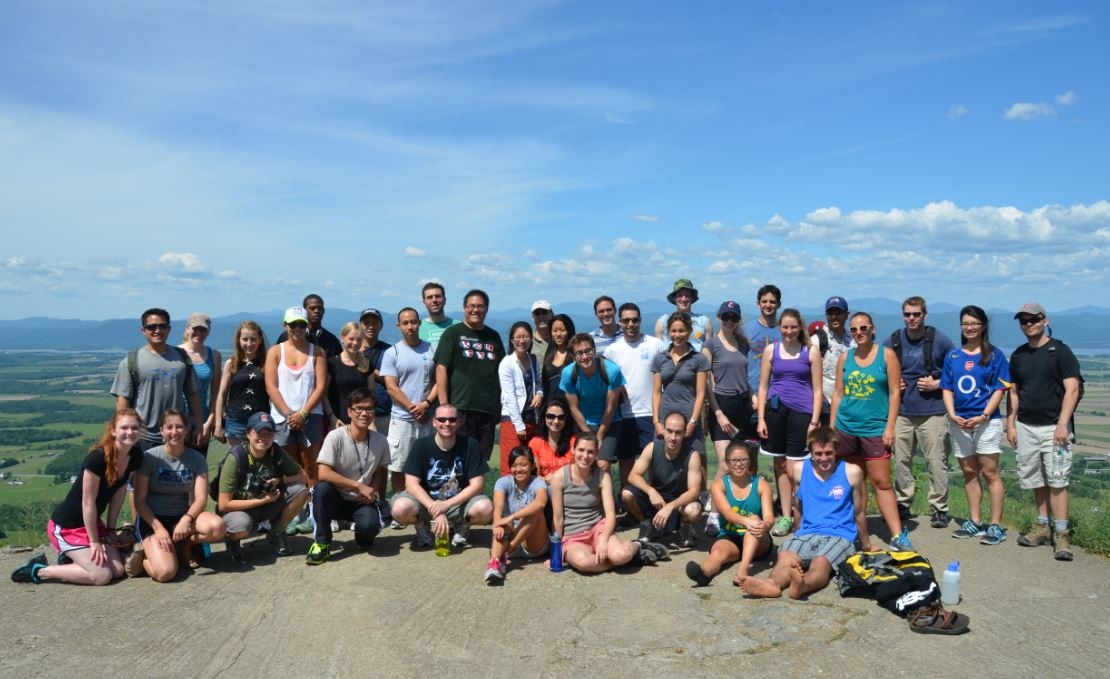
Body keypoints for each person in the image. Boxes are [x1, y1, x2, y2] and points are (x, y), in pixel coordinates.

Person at [11, 409, 144, 586]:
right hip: (67, 526)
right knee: (102, 576)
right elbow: (87, 502)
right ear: (113, 430)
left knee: (118, 570)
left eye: (134, 428)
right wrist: (94, 541)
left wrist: (110, 530)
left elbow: (119, 493)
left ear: (140, 430)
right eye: (124, 427)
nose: (130, 432)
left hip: (92, 523)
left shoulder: (135, 455)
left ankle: (72, 560)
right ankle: (39, 570)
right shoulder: (97, 458)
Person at [740, 427, 864, 599]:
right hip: (808, 531)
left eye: (828, 453)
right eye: (818, 454)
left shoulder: (851, 472)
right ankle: (771, 585)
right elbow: (798, 506)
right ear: (811, 452)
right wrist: (797, 534)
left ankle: (802, 585)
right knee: (785, 556)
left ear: (837, 450)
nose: (823, 458)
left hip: (840, 534)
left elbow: (859, 512)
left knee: (821, 562)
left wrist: (866, 545)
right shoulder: (800, 470)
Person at [1008, 302, 1083, 561]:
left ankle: (1062, 533)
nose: (1029, 324)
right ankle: (1042, 526)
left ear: (1045, 320)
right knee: (1035, 479)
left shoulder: (1059, 351)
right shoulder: (1018, 355)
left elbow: (1072, 389)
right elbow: (1015, 391)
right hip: (1026, 425)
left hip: (1054, 427)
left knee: (1057, 480)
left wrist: (1063, 424)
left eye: (1033, 319)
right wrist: (1011, 423)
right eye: (1024, 321)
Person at [830, 311, 908, 551]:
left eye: (863, 328)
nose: (859, 333)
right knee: (854, 482)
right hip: (846, 427)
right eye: (854, 330)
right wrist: (832, 428)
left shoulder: (887, 356)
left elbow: (895, 392)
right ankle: (855, 530)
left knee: (882, 482)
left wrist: (890, 427)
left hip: (875, 428)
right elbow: (838, 393)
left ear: (872, 329)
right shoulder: (846, 357)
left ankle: (897, 535)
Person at [941, 306, 1011, 545]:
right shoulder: (953, 356)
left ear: (983, 326)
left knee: (990, 473)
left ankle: (996, 525)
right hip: (959, 422)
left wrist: (983, 415)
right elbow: (947, 388)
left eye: (974, 323)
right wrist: (951, 414)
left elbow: (1000, 390)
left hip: (986, 422)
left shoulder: (995, 355)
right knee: (969, 473)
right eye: (965, 323)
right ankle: (975, 521)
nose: (969, 327)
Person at [885, 296, 957, 528]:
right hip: (902, 412)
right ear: (903, 315)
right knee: (901, 462)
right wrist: (892, 382)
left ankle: (939, 509)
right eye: (908, 314)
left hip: (933, 412)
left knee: (936, 461)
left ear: (925, 314)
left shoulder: (940, 341)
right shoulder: (894, 340)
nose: (912, 318)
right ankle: (903, 504)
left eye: (916, 314)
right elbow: (879, 369)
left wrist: (937, 385)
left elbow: (956, 371)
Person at [130, 410, 227, 582]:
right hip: (152, 521)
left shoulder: (196, 459)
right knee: (165, 573)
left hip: (181, 518)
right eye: (169, 427)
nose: (174, 432)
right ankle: (143, 559)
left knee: (217, 527)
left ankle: (184, 545)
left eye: (179, 427)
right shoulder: (149, 458)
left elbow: (201, 499)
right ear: (161, 431)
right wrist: (158, 529)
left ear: (186, 430)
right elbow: (139, 502)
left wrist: (185, 519)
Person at [549, 432, 666, 573]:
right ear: (573, 450)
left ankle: (639, 545)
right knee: (584, 563)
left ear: (596, 453)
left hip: (597, 529)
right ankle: (633, 559)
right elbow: (558, 518)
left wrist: (603, 540)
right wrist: (555, 553)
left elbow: (611, 515)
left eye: (591, 452)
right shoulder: (560, 477)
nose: (585, 456)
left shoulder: (603, 476)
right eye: (581, 450)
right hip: (573, 536)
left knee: (620, 555)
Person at [305, 388, 392, 565]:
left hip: (361, 501)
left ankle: (362, 536)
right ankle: (321, 544)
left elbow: (378, 473)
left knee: (369, 530)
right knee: (321, 489)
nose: (364, 413)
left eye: (369, 409)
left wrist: (372, 491)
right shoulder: (335, 436)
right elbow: (323, 472)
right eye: (359, 408)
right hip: (336, 498)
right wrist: (358, 486)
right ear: (349, 412)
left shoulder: (381, 440)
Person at [389, 404, 494, 550]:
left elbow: (477, 485)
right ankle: (421, 526)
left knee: (486, 508)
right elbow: (411, 484)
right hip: (426, 502)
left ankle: (462, 525)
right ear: (434, 422)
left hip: (458, 503)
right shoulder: (421, 445)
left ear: (458, 422)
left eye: (451, 419)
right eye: (442, 419)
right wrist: (435, 509)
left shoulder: (471, 444)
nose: (447, 424)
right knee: (400, 508)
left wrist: (446, 505)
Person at [756, 308, 821, 538]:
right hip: (775, 412)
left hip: (802, 413)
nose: (789, 331)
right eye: (785, 327)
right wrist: (761, 418)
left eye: (794, 327)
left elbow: (818, 389)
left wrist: (815, 420)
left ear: (800, 327)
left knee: (798, 468)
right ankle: (785, 515)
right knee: (780, 466)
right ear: (780, 328)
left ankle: (800, 515)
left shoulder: (810, 352)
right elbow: (763, 386)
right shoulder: (771, 350)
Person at [217, 412, 310, 561]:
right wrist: (262, 501)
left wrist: (279, 481)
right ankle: (232, 540)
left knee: (301, 490)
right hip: (239, 509)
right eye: (259, 432)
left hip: (268, 504)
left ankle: (277, 532)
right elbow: (223, 504)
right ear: (248, 434)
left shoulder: (276, 451)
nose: (264, 438)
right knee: (242, 526)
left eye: (269, 433)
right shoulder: (237, 457)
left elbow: (303, 476)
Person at [110, 307, 203, 449]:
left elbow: (192, 394)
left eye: (162, 326)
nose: (157, 330)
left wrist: (198, 424)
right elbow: (123, 401)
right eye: (152, 327)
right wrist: (124, 433)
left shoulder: (182, 358)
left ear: (169, 329)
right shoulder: (132, 361)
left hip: (175, 434)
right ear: (143, 330)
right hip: (142, 437)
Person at [685, 438, 773, 587]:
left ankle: (743, 570)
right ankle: (703, 572)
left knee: (755, 520)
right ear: (726, 462)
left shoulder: (762, 485)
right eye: (733, 460)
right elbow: (726, 513)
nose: (738, 464)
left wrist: (765, 525)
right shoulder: (719, 485)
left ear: (750, 461)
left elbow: (769, 516)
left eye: (743, 460)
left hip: (758, 540)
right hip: (730, 537)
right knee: (718, 553)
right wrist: (747, 521)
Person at [433, 289, 505, 461]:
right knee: (457, 459)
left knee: (480, 461)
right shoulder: (453, 333)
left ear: (486, 309)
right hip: (459, 409)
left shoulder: (493, 336)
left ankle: (477, 489)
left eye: (480, 306)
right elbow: (441, 369)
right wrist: (444, 406)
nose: (475, 310)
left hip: (487, 411)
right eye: (471, 306)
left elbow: (502, 372)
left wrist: (499, 407)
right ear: (464, 308)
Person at [702, 300, 753, 535]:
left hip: (743, 404)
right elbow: (705, 381)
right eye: (725, 317)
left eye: (733, 317)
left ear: (738, 319)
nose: (729, 321)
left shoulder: (743, 343)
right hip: (721, 405)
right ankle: (713, 514)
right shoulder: (711, 344)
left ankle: (738, 510)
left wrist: (753, 397)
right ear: (719, 317)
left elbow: (745, 375)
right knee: (725, 464)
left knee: (742, 463)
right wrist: (718, 413)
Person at [265, 306, 328, 491]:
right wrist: (289, 414)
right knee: (289, 467)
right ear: (285, 326)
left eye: (301, 324)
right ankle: (295, 508)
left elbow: (321, 386)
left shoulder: (317, 352)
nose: (297, 328)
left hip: (311, 416)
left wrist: (303, 413)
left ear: (307, 326)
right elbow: (271, 386)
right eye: (293, 325)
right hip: (282, 418)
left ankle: (313, 507)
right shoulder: (275, 352)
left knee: (311, 466)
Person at [605, 302, 665, 494]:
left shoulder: (656, 344)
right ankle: (629, 504)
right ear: (620, 322)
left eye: (634, 320)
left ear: (640, 320)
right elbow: (608, 380)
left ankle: (657, 502)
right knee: (626, 462)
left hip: (650, 412)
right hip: (624, 414)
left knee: (655, 461)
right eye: (626, 320)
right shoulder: (612, 350)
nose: (630, 324)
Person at [622, 412, 704, 547]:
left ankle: (685, 526)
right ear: (663, 430)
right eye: (669, 431)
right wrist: (651, 491)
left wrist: (671, 507)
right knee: (627, 494)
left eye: (678, 433)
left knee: (693, 510)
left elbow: (694, 491)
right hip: (657, 499)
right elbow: (633, 476)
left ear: (685, 433)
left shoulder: (692, 455)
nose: (673, 437)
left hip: (679, 503)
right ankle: (647, 524)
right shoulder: (652, 448)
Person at [381, 307, 437, 496]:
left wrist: (426, 405)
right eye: (405, 323)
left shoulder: (431, 350)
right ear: (399, 326)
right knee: (399, 465)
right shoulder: (392, 352)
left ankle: (423, 505)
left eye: (413, 322)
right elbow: (391, 386)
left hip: (427, 417)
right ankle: (399, 504)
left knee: (427, 464)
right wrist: (414, 408)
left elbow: (438, 381)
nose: (410, 326)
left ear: (420, 323)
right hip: (402, 419)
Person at [485, 447, 549, 584]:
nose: (518, 469)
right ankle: (495, 563)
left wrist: (512, 517)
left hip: (532, 543)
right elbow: (499, 506)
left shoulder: (538, 482)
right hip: (510, 533)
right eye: (514, 465)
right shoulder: (503, 482)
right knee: (502, 524)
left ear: (532, 466)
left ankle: (507, 550)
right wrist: (497, 524)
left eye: (524, 465)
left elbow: (541, 502)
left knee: (534, 510)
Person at [561, 333, 625, 470]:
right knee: (585, 464)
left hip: (610, 421)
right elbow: (574, 408)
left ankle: (606, 491)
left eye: (588, 351)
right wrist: (590, 436)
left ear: (594, 351)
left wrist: (600, 436)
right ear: (573, 357)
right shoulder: (568, 373)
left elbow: (611, 407)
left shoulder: (612, 370)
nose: (584, 357)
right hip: (584, 422)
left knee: (602, 464)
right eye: (579, 353)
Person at [652, 312, 709, 457]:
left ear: (689, 332)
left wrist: (693, 422)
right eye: (674, 331)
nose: (677, 335)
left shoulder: (699, 359)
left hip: (690, 415)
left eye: (682, 330)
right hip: (665, 418)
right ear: (668, 332)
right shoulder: (660, 358)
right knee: (661, 459)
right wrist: (657, 422)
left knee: (696, 457)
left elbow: (701, 393)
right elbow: (656, 392)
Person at [213, 321, 270, 448]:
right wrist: (218, 425)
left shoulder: (267, 363)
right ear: (239, 340)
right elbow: (221, 395)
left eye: (253, 339)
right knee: (238, 461)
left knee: (259, 461)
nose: (249, 344)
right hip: (235, 421)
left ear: (260, 340)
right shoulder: (231, 363)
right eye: (245, 339)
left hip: (260, 421)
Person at [498, 321, 543, 474]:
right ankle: (505, 497)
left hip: (531, 418)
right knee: (511, 465)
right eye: (518, 337)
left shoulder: (533, 359)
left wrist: (539, 394)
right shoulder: (507, 363)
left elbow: (539, 383)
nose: (521, 340)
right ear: (511, 340)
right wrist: (519, 425)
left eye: (525, 337)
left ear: (531, 339)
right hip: (512, 420)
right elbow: (509, 396)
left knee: (530, 466)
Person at [178, 313, 221, 458]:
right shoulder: (176, 353)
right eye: (195, 329)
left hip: (201, 423)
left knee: (198, 467)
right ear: (187, 329)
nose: (199, 333)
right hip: (177, 422)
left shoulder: (214, 355)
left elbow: (216, 393)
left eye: (203, 330)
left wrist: (208, 423)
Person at [325, 321, 373, 429]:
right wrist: (332, 417)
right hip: (338, 421)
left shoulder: (366, 364)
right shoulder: (332, 363)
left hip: (362, 421)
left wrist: (371, 420)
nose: (355, 343)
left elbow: (371, 394)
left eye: (359, 339)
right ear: (342, 339)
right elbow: (324, 395)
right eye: (351, 339)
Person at [813, 296, 854, 422]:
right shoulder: (817, 340)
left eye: (838, 312)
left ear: (847, 314)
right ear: (826, 315)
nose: (834, 316)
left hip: (849, 406)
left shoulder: (853, 341)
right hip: (824, 408)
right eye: (831, 313)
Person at [744, 284, 782, 409]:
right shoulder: (746, 330)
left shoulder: (785, 331)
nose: (768, 305)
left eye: (772, 302)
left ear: (779, 304)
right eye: (764, 301)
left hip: (777, 395)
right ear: (758, 304)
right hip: (751, 394)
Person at [359, 308, 394, 435]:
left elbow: (395, 382)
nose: (371, 326)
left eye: (375, 323)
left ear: (381, 326)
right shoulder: (352, 351)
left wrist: (369, 369)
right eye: (366, 323)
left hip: (383, 413)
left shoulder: (390, 351)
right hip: (356, 413)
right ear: (360, 326)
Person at [654, 278, 713, 352]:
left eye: (687, 295)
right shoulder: (662, 322)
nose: (684, 299)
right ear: (675, 298)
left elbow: (709, 351)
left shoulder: (704, 321)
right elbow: (657, 350)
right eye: (680, 295)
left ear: (692, 298)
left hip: (697, 362)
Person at [276, 293, 342, 357]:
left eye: (320, 308)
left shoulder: (332, 341)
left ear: (323, 310)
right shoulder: (287, 336)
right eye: (312, 308)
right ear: (304, 311)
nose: (316, 311)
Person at [530, 398, 576, 479]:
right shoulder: (535, 443)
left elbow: (580, 472)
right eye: (551, 416)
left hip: (569, 488)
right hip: (544, 487)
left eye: (561, 417)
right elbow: (534, 475)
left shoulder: (575, 441)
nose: (556, 421)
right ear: (544, 417)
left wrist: (556, 479)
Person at [541, 313, 576, 409]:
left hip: (571, 409)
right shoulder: (548, 354)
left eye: (562, 330)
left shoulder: (575, 355)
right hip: (550, 409)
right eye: (554, 331)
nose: (558, 334)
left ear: (569, 331)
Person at [418, 282, 458, 351]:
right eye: (430, 297)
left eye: (438, 296)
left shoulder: (458, 326)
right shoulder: (418, 328)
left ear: (444, 300)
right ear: (424, 302)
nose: (434, 300)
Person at [530, 300, 554, 365]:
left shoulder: (560, 339)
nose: (541, 316)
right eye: (537, 313)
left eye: (544, 312)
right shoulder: (528, 341)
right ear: (533, 317)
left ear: (552, 314)